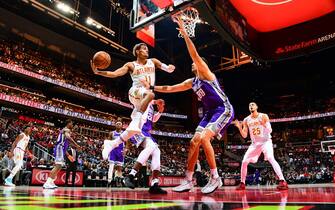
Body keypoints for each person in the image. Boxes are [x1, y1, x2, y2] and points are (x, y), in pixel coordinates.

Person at [141, 18, 234, 194]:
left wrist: (184, 33)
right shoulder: (192, 82)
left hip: (224, 109)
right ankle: (188, 180)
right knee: (193, 142)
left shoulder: (206, 74)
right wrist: (151, 87)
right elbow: (170, 88)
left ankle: (215, 178)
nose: (192, 63)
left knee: (204, 138)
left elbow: (195, 55)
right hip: (209, 113)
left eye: (195, 63)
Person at [91, 43, 175, 158]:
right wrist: (98, 72)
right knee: (151, 94)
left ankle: (111, 144)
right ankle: (135, 122)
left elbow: (167, 68)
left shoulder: (153, 61)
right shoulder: (131, 65)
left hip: (144, 101)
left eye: (147, 49)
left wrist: (169, 68)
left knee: (133, 130)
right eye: (144, 49)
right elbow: (115, 73)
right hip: (135, 92)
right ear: (137, 52)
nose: (147, 51)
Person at [232, 102, 288, 190]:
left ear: (257, 107)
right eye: (249, 105)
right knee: (244, 161)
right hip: (254, 144)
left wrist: (264, 124)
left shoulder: (263, 116)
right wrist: (239, 127)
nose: (251, 106)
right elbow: (245, 136)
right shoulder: (246, 120)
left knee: (270, 158)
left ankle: (282, 181)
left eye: (253, 105)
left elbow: (270, 130)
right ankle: (242, 183)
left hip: (265, 142)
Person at [124, 99, 167, 194]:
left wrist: (160, 111)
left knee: (157, 151)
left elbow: (153, 119)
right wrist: (156, 102)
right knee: (151, 146)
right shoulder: (144, 99)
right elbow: (145, 101)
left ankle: (154, 184)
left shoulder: (151, 106)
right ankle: (130, 176)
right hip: (138, 128)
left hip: (146, 132)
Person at [43, 120, 81, 189]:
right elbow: (69, 138)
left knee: (60, 166)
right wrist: (77, 145)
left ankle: (51, 182)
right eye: (72, 124)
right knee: (57, 166)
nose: (72, 125)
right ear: (68, 123)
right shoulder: (66, 129)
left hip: (62, 149)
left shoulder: (66, 130)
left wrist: (75, 148)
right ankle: (47, 183)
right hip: (59, 148)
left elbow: (68, 142)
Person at [105, 120, 126, 187]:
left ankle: (118, 180)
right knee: (111, 166)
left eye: (120, 124)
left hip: (120, 151)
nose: (118, 125)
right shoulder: (112, 133)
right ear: (115, 125)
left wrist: (126, 150)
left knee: (120, 167)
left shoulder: (124, 133)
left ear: (122, 126)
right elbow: (109, 141)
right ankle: (109, 181)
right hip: (113, 150)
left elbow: (127, 142)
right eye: (117, 124)